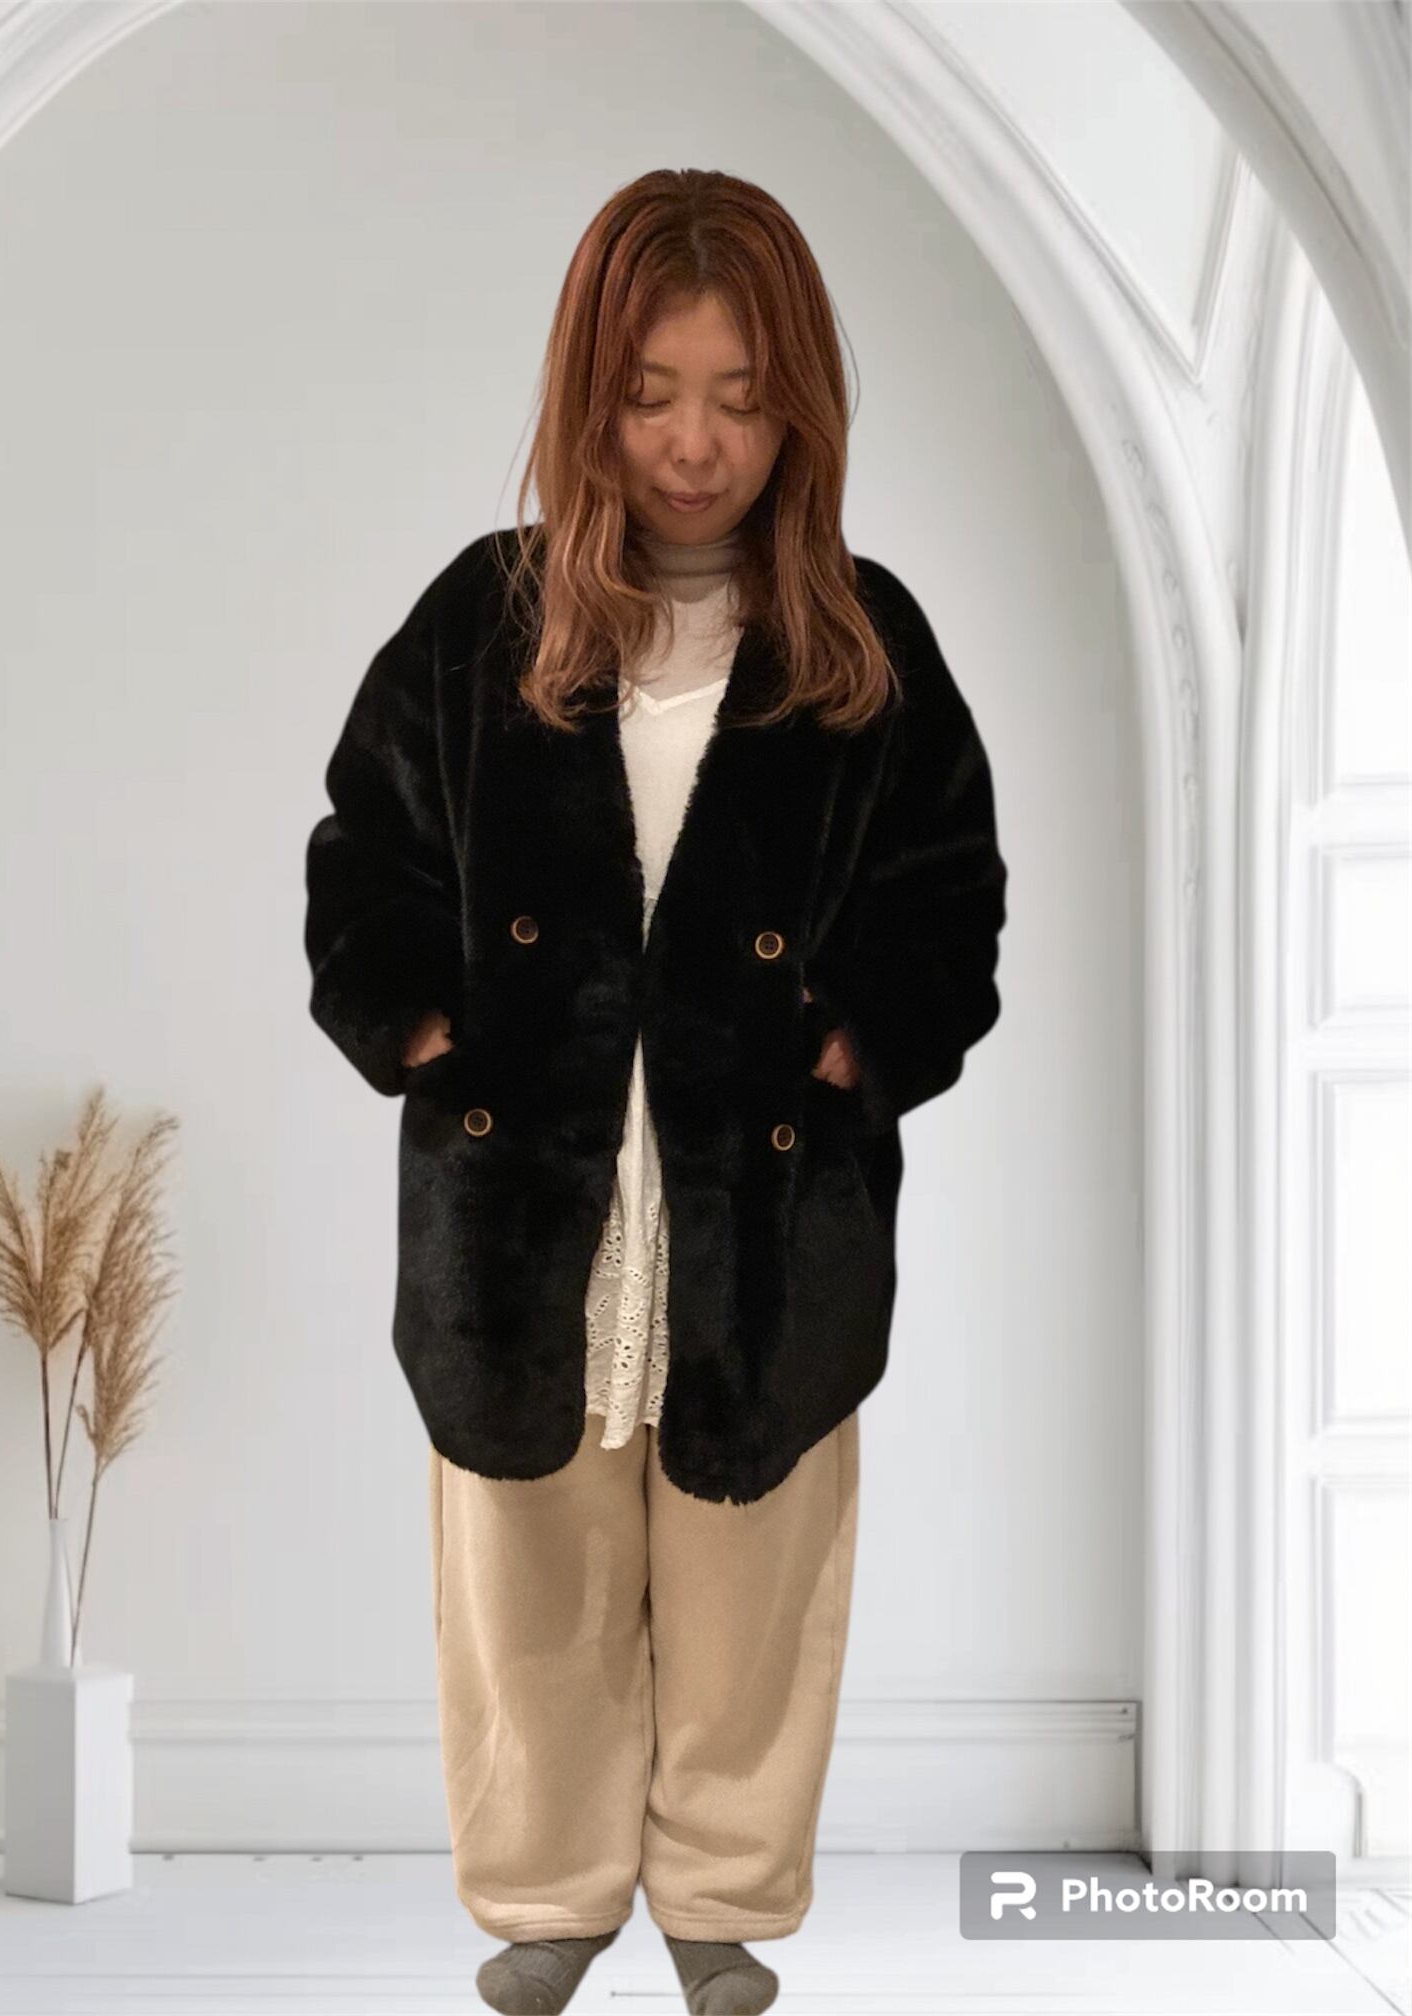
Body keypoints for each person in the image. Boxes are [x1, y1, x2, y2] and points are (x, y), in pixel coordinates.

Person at [304, 168, 1008, 2016]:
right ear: (586, 396)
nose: (695, 445)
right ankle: (546, 1897)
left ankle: (720, 1903)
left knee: (753, 1568)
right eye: (650, 394)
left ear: (802, 411)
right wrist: (424, 1036)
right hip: (525, 1191)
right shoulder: (484, 621)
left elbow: (950, 902)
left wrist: (857, 1048)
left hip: (763, 1193)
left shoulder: (862, 643)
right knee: (527, 1564)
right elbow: (363, 856)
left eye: (742, 399)